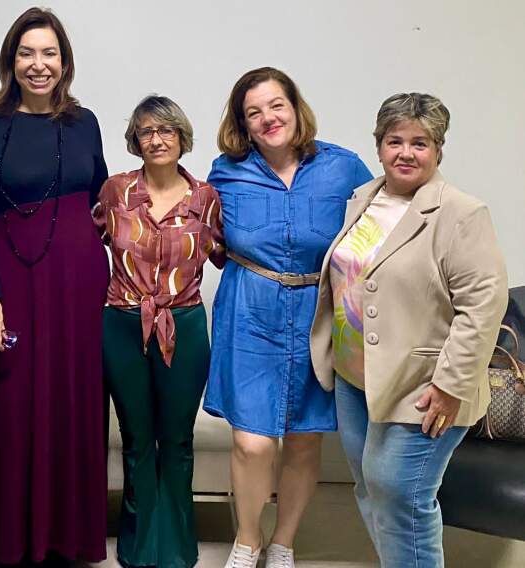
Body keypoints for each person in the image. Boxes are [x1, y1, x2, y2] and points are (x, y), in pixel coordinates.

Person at [310, 92, 507, 567]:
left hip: (423, 385)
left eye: (420, 143)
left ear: (438, 150)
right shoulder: (364, 199)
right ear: (378, 146)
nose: (406, 152)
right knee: (372, 489)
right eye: (394, 140)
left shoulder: (461, 214)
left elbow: (483, 305)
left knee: (401, 496)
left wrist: (450, 385)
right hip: (357, 378)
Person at [203, 67, 373, 568]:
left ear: (296, 107)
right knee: (251, 441)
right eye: (253, 112)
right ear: (243, 124)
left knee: (302, 439)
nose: (267, 118)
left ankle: (284, 542)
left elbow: (383, 227)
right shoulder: (226, 170)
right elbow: (204, 236)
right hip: (249, 312)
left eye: (276, 105)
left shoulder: (344, 167)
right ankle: (248, 538)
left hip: (318, 314)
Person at [0, 6, 109, 565]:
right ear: (11, 61)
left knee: (74, 400)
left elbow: (101, 199)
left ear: (64, 62)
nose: (38, 64)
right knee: (9, 402)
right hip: (10, 281)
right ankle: (7, 540)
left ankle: (67, 537)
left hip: (79, 287)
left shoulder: (84, 121)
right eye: (27, 53)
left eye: (49, 53)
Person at [93, 95, 225, 568]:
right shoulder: (116, 192)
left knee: (176, 439)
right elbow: (85, 246)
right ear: (135, 140)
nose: (157, 139)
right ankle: (138, 545)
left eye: (166, 130)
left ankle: (176, 546)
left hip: (183, 328)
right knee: (136, 437)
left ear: (182, 137)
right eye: (147, 131)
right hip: (122, 324)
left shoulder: (206, 198)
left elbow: (231, 256)